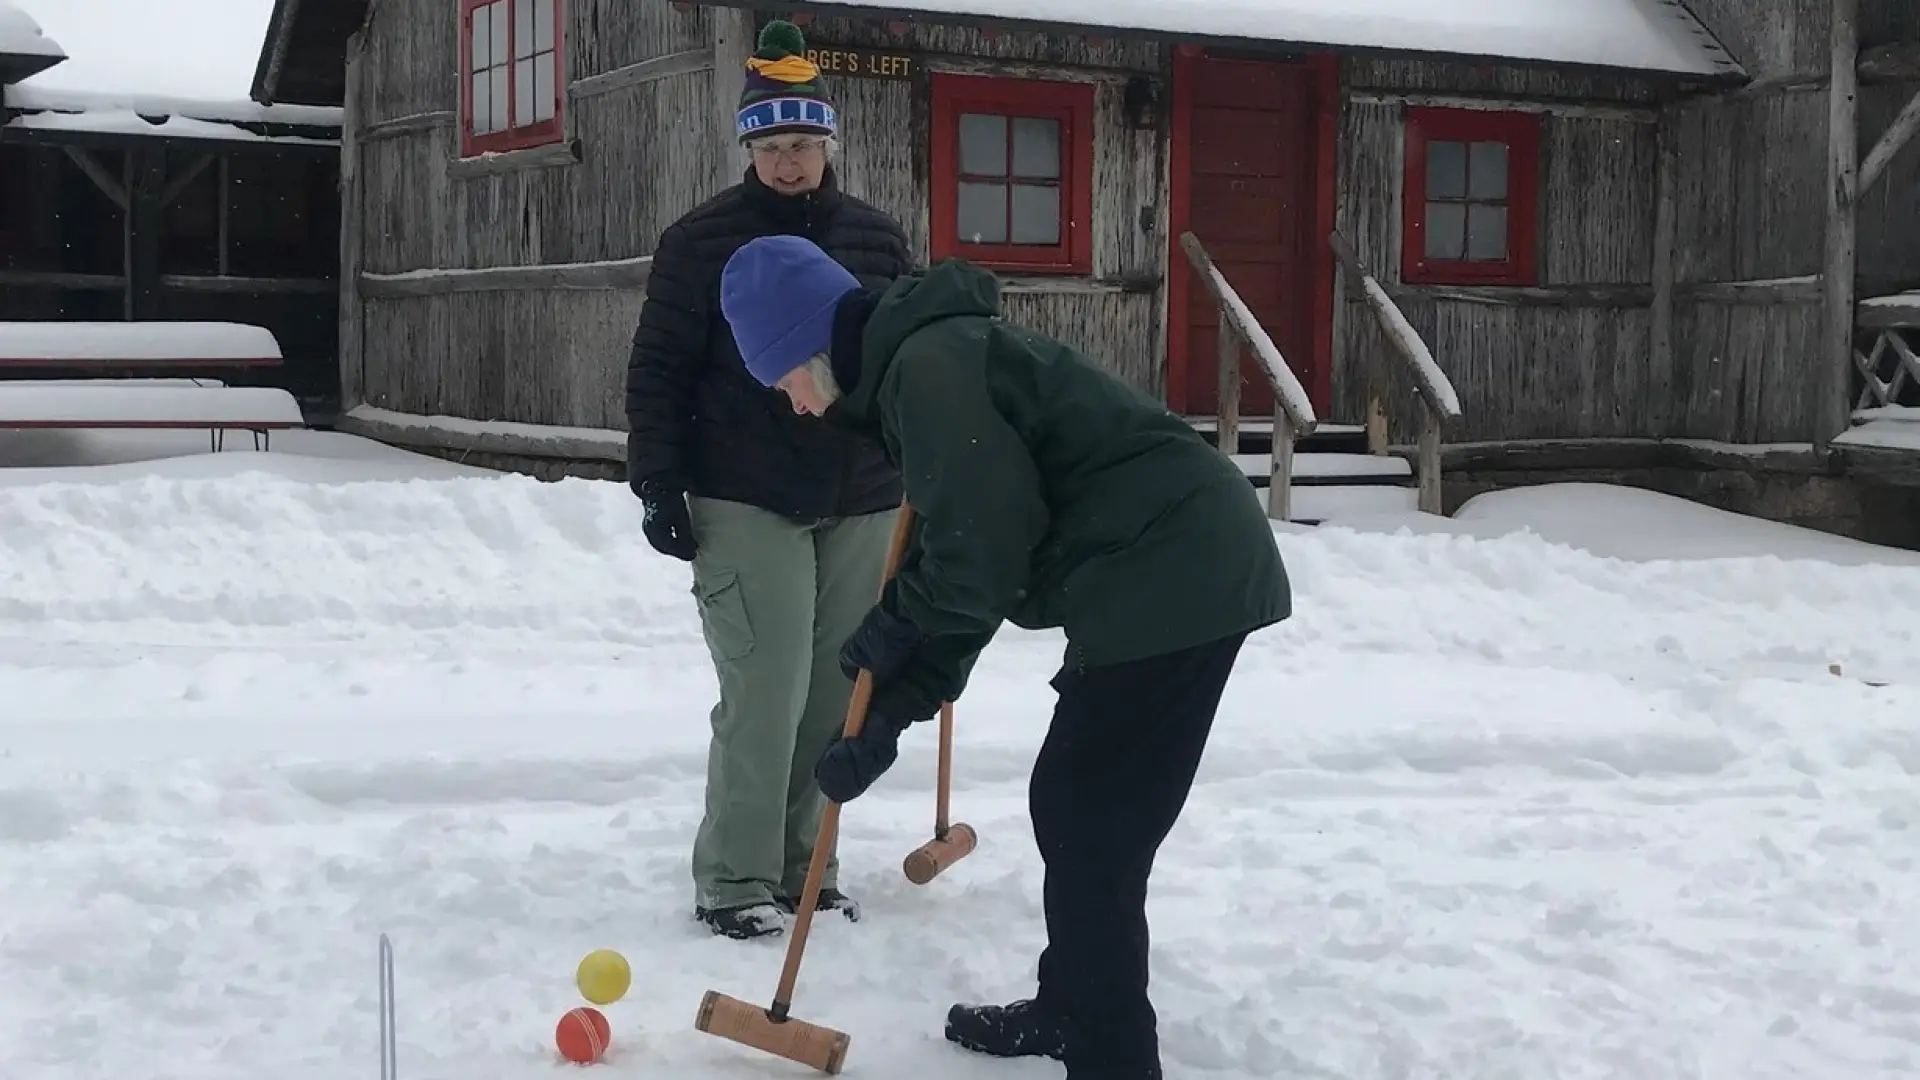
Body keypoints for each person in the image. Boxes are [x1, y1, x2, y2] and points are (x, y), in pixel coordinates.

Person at [715, 233, 1293, 1080]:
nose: (796, 405)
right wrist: (884, 718)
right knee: (1076, 810)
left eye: (785, 383)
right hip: (1157, 566)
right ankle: (1072, 1009)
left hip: (1170, 567)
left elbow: (979, 560)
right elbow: (964, 562)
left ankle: (1111, 1056)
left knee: (1093, 828)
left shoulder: (930, 370)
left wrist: (902, 621)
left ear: (807, 344)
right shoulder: (919, 367)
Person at [623, 19, 913, 941]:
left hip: (861, 494)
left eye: (804, 145)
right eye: (773, 147)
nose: (790, 164)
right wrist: (658, 481)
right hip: (744, 492)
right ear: (751, 148)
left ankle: (804, 868)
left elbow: (908, 362)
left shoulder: (875, 238)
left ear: (829, 143)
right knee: (767, 688)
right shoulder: (700, 240)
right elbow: (659, 368)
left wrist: (928, 468)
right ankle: (737, 878)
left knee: (835, 694)